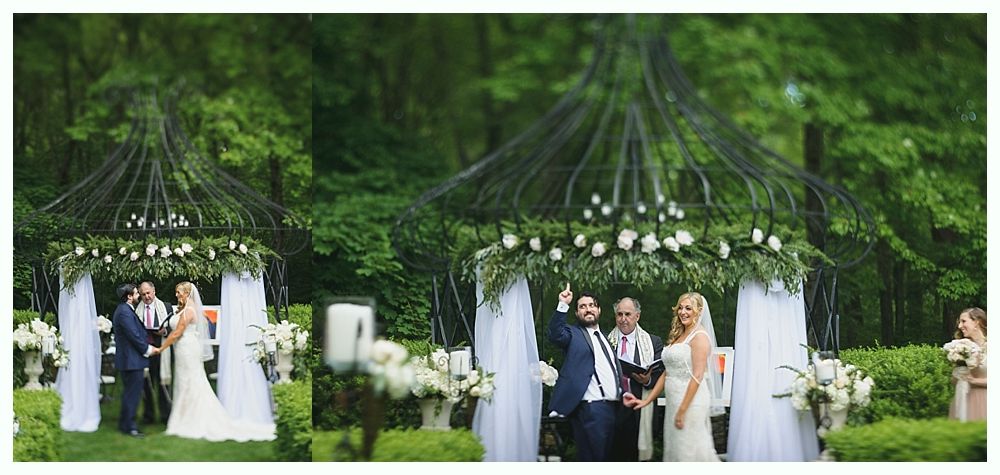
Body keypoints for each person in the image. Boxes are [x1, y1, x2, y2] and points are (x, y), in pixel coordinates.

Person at [156, 281, 275, 441]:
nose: (177, 295)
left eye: (179, 292)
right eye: (176, 292)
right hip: (183, 348)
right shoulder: (184, 309)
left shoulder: (189, 311)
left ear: (187, 293)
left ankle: (192, 418)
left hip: (187, 348)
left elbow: (177, 333)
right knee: (185, 381)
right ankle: (185, 415)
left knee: (191, 381)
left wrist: (160, 349)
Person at [632, 292, 721, 462]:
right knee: (675, 450)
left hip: (691, 404)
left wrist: (682, 411)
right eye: (680, 307)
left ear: (699, 311)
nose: (683, 312)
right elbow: (668, 373)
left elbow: (697, 376)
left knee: (688, 452)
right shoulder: (680, 335)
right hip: (675, 403)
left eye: (688, 308)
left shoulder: (700, 337)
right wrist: (647, 400)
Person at [547, 283, 623, 462]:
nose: (588, 309)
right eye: (582, 306)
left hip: (614, 408)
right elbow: (555, 334)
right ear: (576, 313)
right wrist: (563, 304)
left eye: (591, 305)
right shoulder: (573, 334)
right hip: (591, 408)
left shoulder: (605, 337)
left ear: (599, 310)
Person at [607, 297, 664, 461]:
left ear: (637, 316)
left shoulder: (653, 342)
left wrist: (646, 380)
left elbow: (659, 376)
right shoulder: (605, 341)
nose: (623, 319)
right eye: (619, 314)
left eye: (627, 314)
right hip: (614, 407)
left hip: (640, 406)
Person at [111, 283, 159, 438]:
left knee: (129, 394)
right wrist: (147, 349)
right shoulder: (125, 312)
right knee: (132, 395)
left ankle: (124, 424)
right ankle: (130, 427)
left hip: (130, 360)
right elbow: (133, 335)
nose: (139, 295)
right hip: (131, 360)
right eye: (137, 293)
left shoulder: (125, 310)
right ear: (130, 297)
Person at [135, 281, 173, 424]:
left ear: (154, 291)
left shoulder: (166, 306)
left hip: (162, 350)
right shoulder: (135, 309)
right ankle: (148, 415)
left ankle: (166, 416)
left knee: (163, 384)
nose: (146, 296)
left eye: (148, 293)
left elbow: (174, 328)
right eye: (143, 294)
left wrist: (165, 331)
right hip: (145, 351)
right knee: (146, 383)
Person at [949, 307, 987, 422]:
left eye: (963, 321)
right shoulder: (961, 348)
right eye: (959, 322)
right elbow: (953, 381)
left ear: (976, 322)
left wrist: (974, 381)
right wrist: (958, 373)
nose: (960, 326)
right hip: (963, 399)